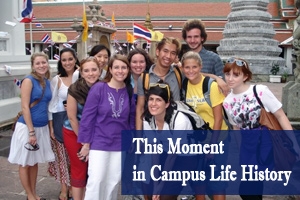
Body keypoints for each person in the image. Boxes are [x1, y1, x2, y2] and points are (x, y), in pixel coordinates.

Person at [222, 57, 293, 200]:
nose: (230, 79)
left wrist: (294, 143)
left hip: (264, 142)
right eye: (227, 74)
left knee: (250, 188)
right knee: (250, 188)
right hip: (247, 146)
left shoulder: (260, 91)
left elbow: (280, 115)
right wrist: (242, 151)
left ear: (245, 76)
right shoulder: (227, 102)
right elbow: (236, 128)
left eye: (236, 75)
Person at [77, 54, 136, 200]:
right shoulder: (99, 88)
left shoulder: (128, 90)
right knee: (96, 181)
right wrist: (85, 143)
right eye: (116, 67)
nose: (120, 71)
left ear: (128, 70)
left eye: (123, 67)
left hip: (120, 143)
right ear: (110, 69)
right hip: (99, 142)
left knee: (113, 182)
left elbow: (132, 118)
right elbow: (87, 117)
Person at [181, 51, 228, 200]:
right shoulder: (184, 85)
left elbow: (219, 119)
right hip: (197, 140)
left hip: (217, 138)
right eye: (187, 67)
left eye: (194, 67)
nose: (190, 71)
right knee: (197, 181)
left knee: (217, 182)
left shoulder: (210, 86)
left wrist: (213, 147)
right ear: (182, 68)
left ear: (200, 67)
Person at [8, 52, 55, 200]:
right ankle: (29, 195)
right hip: (28, 128)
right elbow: (25, 107)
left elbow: (48, 107)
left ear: (47, 64)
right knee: (25, 163)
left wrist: (49, 128)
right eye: (38, 63)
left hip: (41, 127)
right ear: (33, 66)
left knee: (34, 162)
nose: (41, 66)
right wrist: (31, 132)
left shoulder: (47, 81)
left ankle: (34, 193)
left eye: (44, 62)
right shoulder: (28, 81)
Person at [141, 83, 197, 200]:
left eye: (158, 100)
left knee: (165, 196)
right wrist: (156, 182)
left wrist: (160, 185)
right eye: (151, 99)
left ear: (167, 104)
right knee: (149, 188)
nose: (153, 104)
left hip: (186, 157)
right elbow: (154, 151)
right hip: (165, 153)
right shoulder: (147, 119)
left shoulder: (179, 120)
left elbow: (173, 155)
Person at [63, 57, 102, 200]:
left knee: (94, 170)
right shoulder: (74, 89)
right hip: (75, 132)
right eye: (86, 70)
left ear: (100, 70)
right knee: (79, 169)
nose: (90, 73)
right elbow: (72, 117)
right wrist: (85, 141)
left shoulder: (104, 87)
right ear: (81, 72)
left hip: (97, 134)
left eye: (94, 69)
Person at [48, 48, 79, 200]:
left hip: (78, 119)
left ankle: (74, 187)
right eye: (64, 60)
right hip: (60, 118)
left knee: (74, 156)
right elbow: (52, 104)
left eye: (70, 59)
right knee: (62, 157)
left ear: (75, 59)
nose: (67, 62)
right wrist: (51, 127)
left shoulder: (81, 75)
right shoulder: (57, 80)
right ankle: (63, 189)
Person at [136, 37, 182, 130]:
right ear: (157, 52)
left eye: (173, 53)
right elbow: (140, 108)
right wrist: (138, 137)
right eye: (165, 51)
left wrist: (218, 78)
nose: (168, 56)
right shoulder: (144, 78)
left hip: (176, 128)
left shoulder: (179, 73)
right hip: (152, 130)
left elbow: (196, 74)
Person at [182, 19, 229, 94]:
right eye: (189, 37)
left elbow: (223, 84)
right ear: (185, 39)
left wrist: (214, 77)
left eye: (196, 37)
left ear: (202, 38)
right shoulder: (183, 59)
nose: (192, 40)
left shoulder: (214, 58)